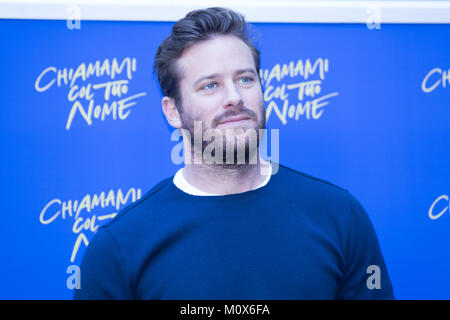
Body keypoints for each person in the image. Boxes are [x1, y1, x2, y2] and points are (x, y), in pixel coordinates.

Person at [74, 7, 394, 300]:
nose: (234, 97)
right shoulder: (120, 246)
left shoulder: (339, 216)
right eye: (210, 86)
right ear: (172, 112)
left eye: (245, 79)